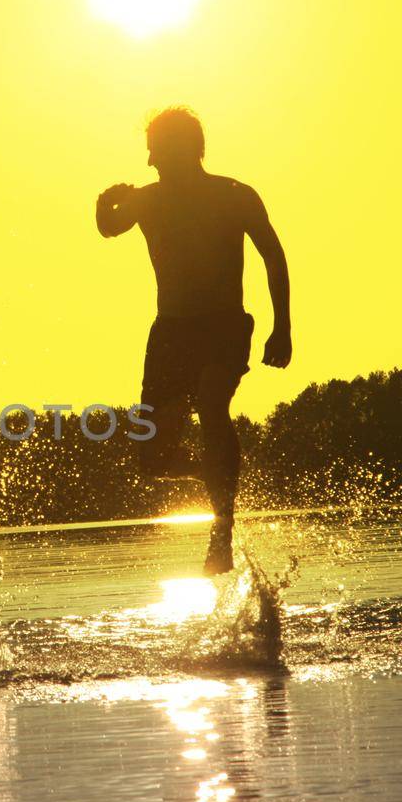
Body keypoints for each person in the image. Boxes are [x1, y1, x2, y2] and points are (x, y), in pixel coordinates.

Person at [96, 107, 291, 574]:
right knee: (153, 458)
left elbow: (273, 256)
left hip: (223, 325)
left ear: (187, 149)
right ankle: (215, 472)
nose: (149, 159)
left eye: (158, 150)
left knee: (211, 401)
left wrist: (282, 326)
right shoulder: (147, 200)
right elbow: (108, 228)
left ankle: (221, 528)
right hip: (170, 333)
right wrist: (103, 203)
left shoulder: (234, 195)